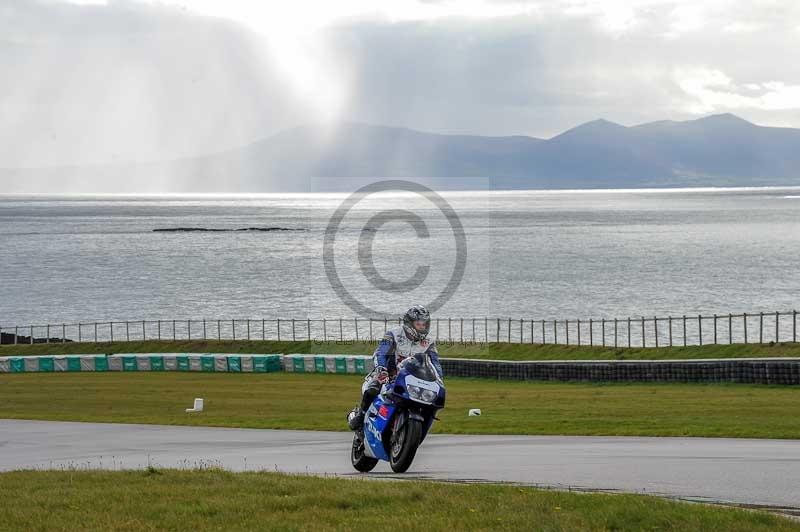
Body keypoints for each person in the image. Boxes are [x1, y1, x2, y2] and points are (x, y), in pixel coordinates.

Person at [347, 305, 444, 431]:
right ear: (410, 324)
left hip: (412, 378)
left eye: (424, 324)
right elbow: (380, 352)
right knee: (373, 388)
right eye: (419, 324)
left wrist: (439, 378)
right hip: (389, 374)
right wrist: (381, 369)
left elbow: (435, 362)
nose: (422, 327)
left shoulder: (429, 342)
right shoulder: (393, 334)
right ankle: (361, 415)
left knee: (432, 399)